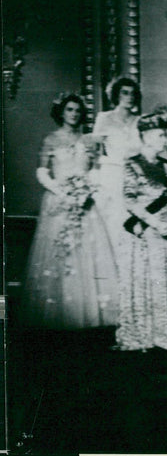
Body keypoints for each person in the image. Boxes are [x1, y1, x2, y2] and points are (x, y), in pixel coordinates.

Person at [20, 93, 118, 329]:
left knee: (88, 252)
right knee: (62, 253)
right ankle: (62, 314)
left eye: (77, 110)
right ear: (61, 113)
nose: (74, 114)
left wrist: (86, 191)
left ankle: (91, 313)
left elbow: (95, 169)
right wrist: (61, 191)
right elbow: (42, 172)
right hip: (59, 201)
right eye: (69, 110)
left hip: (85, 202)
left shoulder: (89, 140)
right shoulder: (51, 139)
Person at [114, 111, 167, 351]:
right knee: (145, 284)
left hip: (166, 234)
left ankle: (164, 336)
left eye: (166, 134)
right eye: (161, 135)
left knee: (164, 284)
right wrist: (153, 223)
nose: (166, 140)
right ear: (146, 136)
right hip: (143, 234)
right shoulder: (132, 163)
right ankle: (142, 336)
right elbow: (129, 200)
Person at [92, 77, 143, 249]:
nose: (129, 97)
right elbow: (95, 151)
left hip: (135, 177)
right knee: (113, 222)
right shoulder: (104, 118)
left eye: (133, 93)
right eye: (125, 93)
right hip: (112, 177)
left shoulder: (140, 120)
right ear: (116, 95)